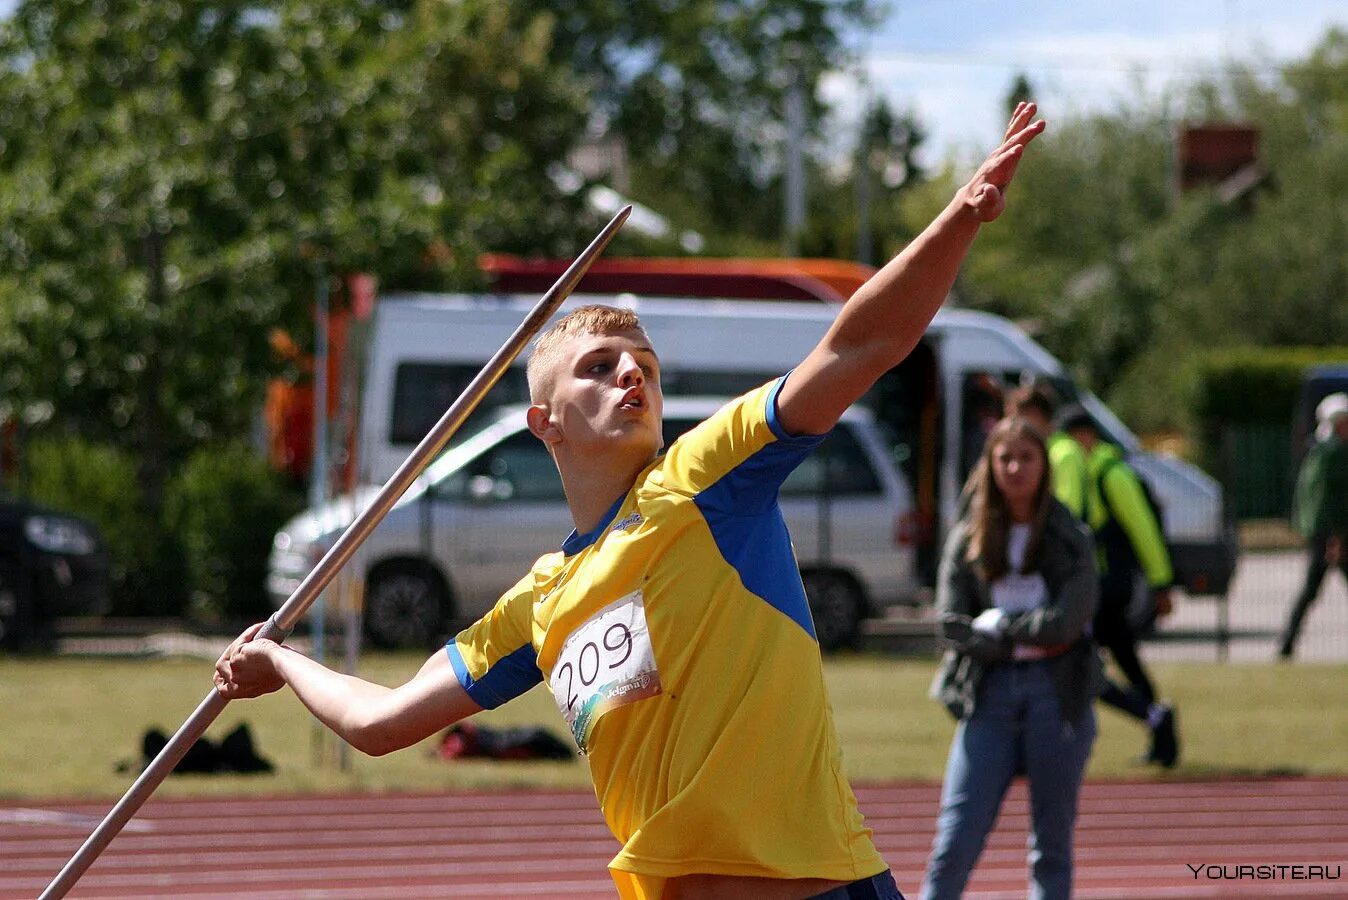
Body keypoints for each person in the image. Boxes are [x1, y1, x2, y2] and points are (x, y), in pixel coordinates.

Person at [214, 104, 1046, 900]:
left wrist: (961, 217)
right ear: (543, 422)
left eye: (642, 362)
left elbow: (859, 343)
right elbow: (383, 722)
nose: (630, 373)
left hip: (818, 890)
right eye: (599, 364)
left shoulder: (703, 477)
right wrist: (281, 661)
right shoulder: (538, 605)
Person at [922, 416, 1100, 900]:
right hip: (989, 692)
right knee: (954, 841)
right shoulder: (967, 537)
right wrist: (1023, 633)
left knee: (1051, 846)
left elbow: (1069, 622)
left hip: (1056, 693)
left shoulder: (1071, 536)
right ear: (990, 465)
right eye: (1005, 458)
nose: (1016, 468)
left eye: (1027, 457)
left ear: (1045, 465)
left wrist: (999, 625)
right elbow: (952, 624)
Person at [1058, 406, 1179, 768]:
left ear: (1086, 436)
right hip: (1097, 587)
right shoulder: (1088, 473)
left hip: (1107, 589)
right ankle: (1159, 724)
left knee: (1083, 666)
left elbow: (1144, 530)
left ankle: (1155, 718)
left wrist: (1162, 583)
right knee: (1123, 660)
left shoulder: (1111, 474)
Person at [1278, 392, 1348, 659]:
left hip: (1322, 532)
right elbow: (1334, 501)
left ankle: (1286, 644)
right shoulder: (1337, 453)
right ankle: (1286, 644)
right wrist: (1337, 539)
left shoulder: (1318, 449)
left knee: (1309, 591)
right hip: (1333, 534)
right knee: (1310, 589)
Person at [1003, 384, 1090, 520]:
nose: (1015, 429)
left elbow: (1069, 514)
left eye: (1021, 421)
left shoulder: (1064, 454)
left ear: (1042, 418)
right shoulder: (1037, 451)